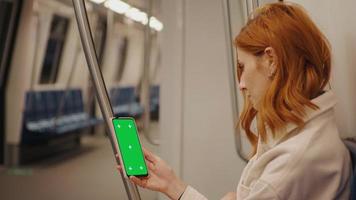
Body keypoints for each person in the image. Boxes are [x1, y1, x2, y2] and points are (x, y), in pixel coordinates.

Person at [117, 2, 351, 199]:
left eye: (242, 67)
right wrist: (171, 184)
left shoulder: (292, 164)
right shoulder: (301, 128)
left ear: (271, 60)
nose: (241, 84)